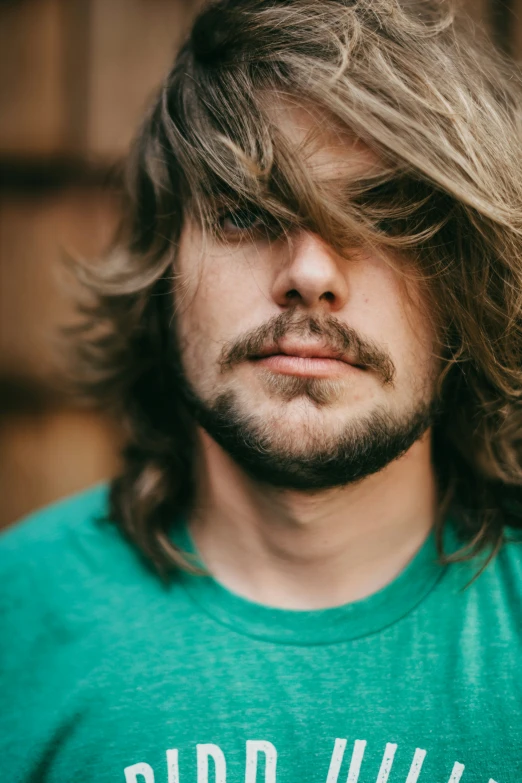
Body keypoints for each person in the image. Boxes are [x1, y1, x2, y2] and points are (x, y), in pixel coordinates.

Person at [2, 0, 522, 780]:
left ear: (470, 283)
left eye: (383, 216)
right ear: (163, 270)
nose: (310, 273)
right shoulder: (18, 616)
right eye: (247, 211)